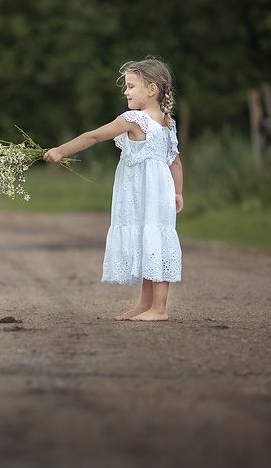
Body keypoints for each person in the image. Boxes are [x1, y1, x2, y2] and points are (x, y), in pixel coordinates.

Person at [43, 57, 183, 321]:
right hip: (158, 192)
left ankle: (160, 308)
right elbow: (175, 162)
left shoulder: (135, 120)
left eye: (131, 86)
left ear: (151, 90)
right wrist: (178, 192)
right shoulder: (166, 122)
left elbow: (93, 136)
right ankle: (146, 303)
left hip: (148, 193)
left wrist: (60, 150)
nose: (126, 91)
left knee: (155, 241)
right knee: (149, 239)